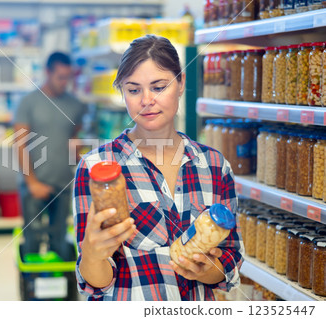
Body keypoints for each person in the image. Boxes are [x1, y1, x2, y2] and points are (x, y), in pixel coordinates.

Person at [73, 35, 244, 301]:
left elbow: (230, 260)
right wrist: (93, 255)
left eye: (159, 87)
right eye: (133, 90)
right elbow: (97, 284)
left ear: (181, 83)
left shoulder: (214, 165)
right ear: (122, 92)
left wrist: (203, 270)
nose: (146, 100)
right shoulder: (96, 168)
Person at [14, 52, 85, 261]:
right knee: (33, 243)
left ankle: (61, 291)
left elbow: (74, 140)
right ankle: (34, 290)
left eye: (68, 77)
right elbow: (20, 144)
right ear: (48, 72)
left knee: (60, 242)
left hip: (63, 184)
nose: (65, 82)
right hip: (33, 185)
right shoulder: (28, 102)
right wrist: (32, 182)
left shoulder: (75, 105)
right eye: (60, 77)